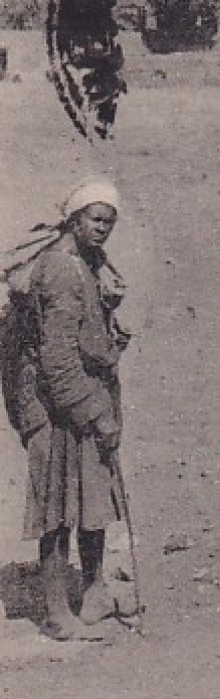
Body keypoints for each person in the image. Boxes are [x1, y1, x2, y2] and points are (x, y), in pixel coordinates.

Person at [4, 178, 130, 640]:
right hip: (56, 408)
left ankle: (94, 592)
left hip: (82, 397)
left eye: (109, 223)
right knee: (56, 509)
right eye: (96, 220)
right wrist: (96, 415)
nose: (103, 230)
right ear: (75, 220)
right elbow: (56, 360)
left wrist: (112, 314)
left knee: (93, 496)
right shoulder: (59, 270)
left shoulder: (88, 263)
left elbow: (89, 338)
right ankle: (56, 609)